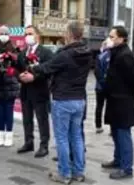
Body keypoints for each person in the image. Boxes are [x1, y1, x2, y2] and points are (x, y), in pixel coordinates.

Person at [27, 21, 91, 184]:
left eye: (65, 32)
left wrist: (34, 67)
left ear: (69, 34)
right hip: (79, 100)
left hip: (63, 99)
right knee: (76, 136)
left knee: (62, 138)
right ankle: (78, 172)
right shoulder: (87, 52)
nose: (63, 35)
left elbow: (47, 67)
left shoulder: (65, 54)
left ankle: (64, 173)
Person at [101, 26, 134, 180]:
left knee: (124, 135)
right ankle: (118, 160)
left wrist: (130, 93)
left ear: (121, 38)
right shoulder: (115, 52)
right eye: (109, 36)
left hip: (123, 100)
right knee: (116, 133)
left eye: (112, 36)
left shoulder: (125, 55)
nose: (109, 39)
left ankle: (127, 168)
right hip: (114, 99)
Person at [15, 25, 53, 158]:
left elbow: (49, 71)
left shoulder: (46, 53)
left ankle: (44, 145)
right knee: (27, 119)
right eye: (25, 34)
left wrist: (34, 77)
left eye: (30, 33)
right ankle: (28, 142)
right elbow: (17, 69)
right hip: (25, 91)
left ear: (37, 35)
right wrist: (19, 76)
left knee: (42, 119)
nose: (27, 37)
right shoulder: (22, 53)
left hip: (40, 91)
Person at [0, 26, 20, 147]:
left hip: (10, 83)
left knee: (9, 110)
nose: (3, 35)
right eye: (1, 33)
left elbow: (19, 64)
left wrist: (12, 60)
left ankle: (9, 134)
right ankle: (0, 134)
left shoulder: (13, 48)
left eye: (6, 33)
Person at [94, 40, 110, 134]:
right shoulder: (114, 55)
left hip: (100, 87)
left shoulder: (100, 56)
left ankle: (98, 126)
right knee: (111, 106)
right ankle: (112, 128)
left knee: (99, 106)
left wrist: (102, 83)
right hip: (110, 86)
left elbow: (97, 72)